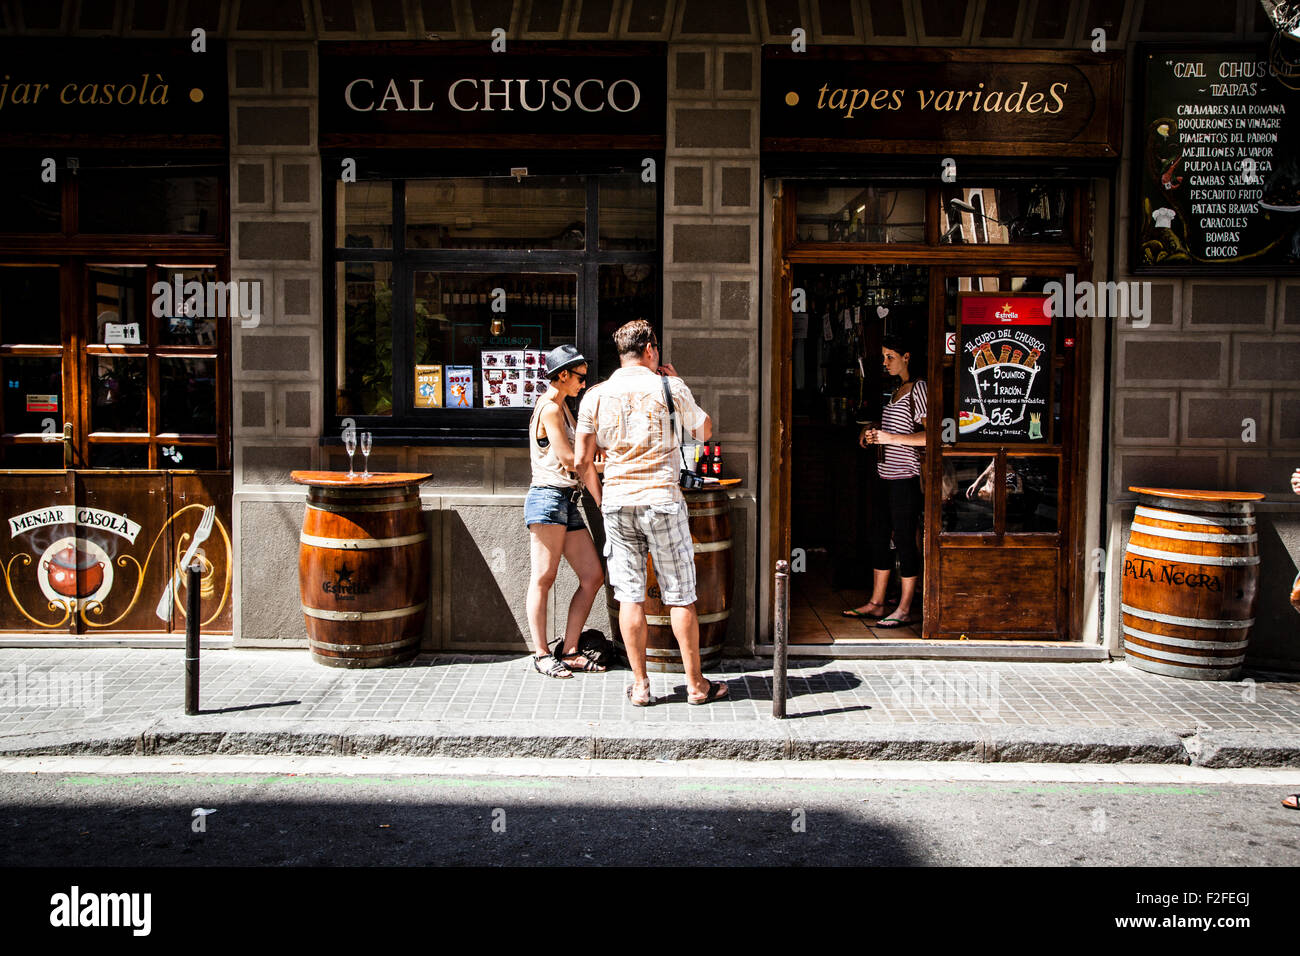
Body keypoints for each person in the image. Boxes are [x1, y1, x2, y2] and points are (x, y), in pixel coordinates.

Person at [574, 320, 728, 706]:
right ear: (649, 350)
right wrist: (681, 386)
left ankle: (641, 686)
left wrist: (600, 496)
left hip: (618, 501)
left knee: (630, 596)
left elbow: (581, 460)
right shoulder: (669, 386)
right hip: (661, 499)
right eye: (656, 347)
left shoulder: (595, 395)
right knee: (680, 596)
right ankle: (696, 685)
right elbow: (704, 431)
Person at [523, 345, 606, 679]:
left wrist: (600, 502)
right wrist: (602, 464)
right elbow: (571, 460)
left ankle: (570, 650)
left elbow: (582, 460)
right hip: (547, 499)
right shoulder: (550, 410)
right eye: (579, 377)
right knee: (543, 578)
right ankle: (542, 654)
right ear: (561, 375)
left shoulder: (565, 408)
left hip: (567, 502)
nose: (583, 384)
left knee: (593, 576)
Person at [843, 333, 927, 628]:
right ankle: (877, 602)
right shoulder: (895, 390)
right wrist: (871, 432)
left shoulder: (919, 389)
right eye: (883, 357)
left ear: (907, 357)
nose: (885, 362)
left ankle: (904, 608)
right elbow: (889, 427)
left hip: (906, 478)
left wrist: (890, 437)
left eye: (891, 356)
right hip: (885, 475)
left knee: (905, 540)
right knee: (879, 537)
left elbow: (930, 436)